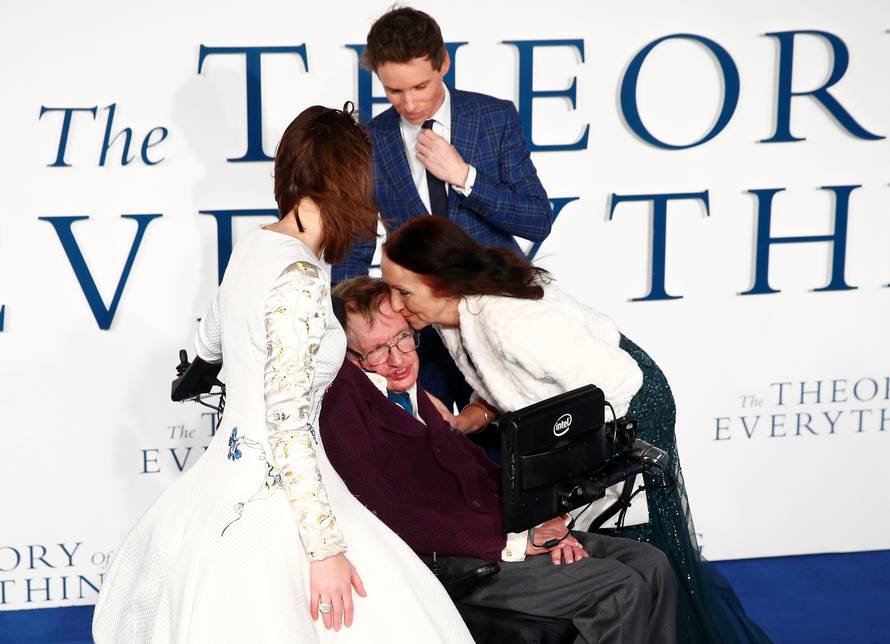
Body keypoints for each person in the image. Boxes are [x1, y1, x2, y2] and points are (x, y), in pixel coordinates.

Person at [91, 107, 473, 643]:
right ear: (350, 185)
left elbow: (216, 326)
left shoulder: (255, 246)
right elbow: (287, 419)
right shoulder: (297, 277)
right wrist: (325, 550)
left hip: (226, 481)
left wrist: (200, 366)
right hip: (277, 502)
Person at [380, 216, 773, 644]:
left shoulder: (507, 322)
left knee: (634, 536)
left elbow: (617, 384)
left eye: (405, 291)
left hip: (628, 407)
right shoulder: (452, 313)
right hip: (588, 413)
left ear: (443, 280)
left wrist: (574, 489)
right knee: (594, 543)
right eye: (390, 289)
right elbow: (513, 386)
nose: (396, 305)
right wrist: (466, 420)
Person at [319, 276, 677, 644]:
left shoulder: (412, 392)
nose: (397, 359)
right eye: (377, 350)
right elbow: (391, 517)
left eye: (403, 339)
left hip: (500, 533)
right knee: (619, 589)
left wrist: (543, 519)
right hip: (459, 561)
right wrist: (515, 542)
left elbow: (475, 468)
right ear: (348, 357)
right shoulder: (343, 407)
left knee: (652, 565)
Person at [334, 6, 553, 411]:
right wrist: (343, 331)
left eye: (420, 86)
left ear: (444, 63)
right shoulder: (371, 139)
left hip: (498, 317)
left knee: (509, 450)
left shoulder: (493, 117)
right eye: (394, 91)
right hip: (420, 332)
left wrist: (467, 177)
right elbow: (355, 246)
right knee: (430, 447)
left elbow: (538, 219)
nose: (410, 102)